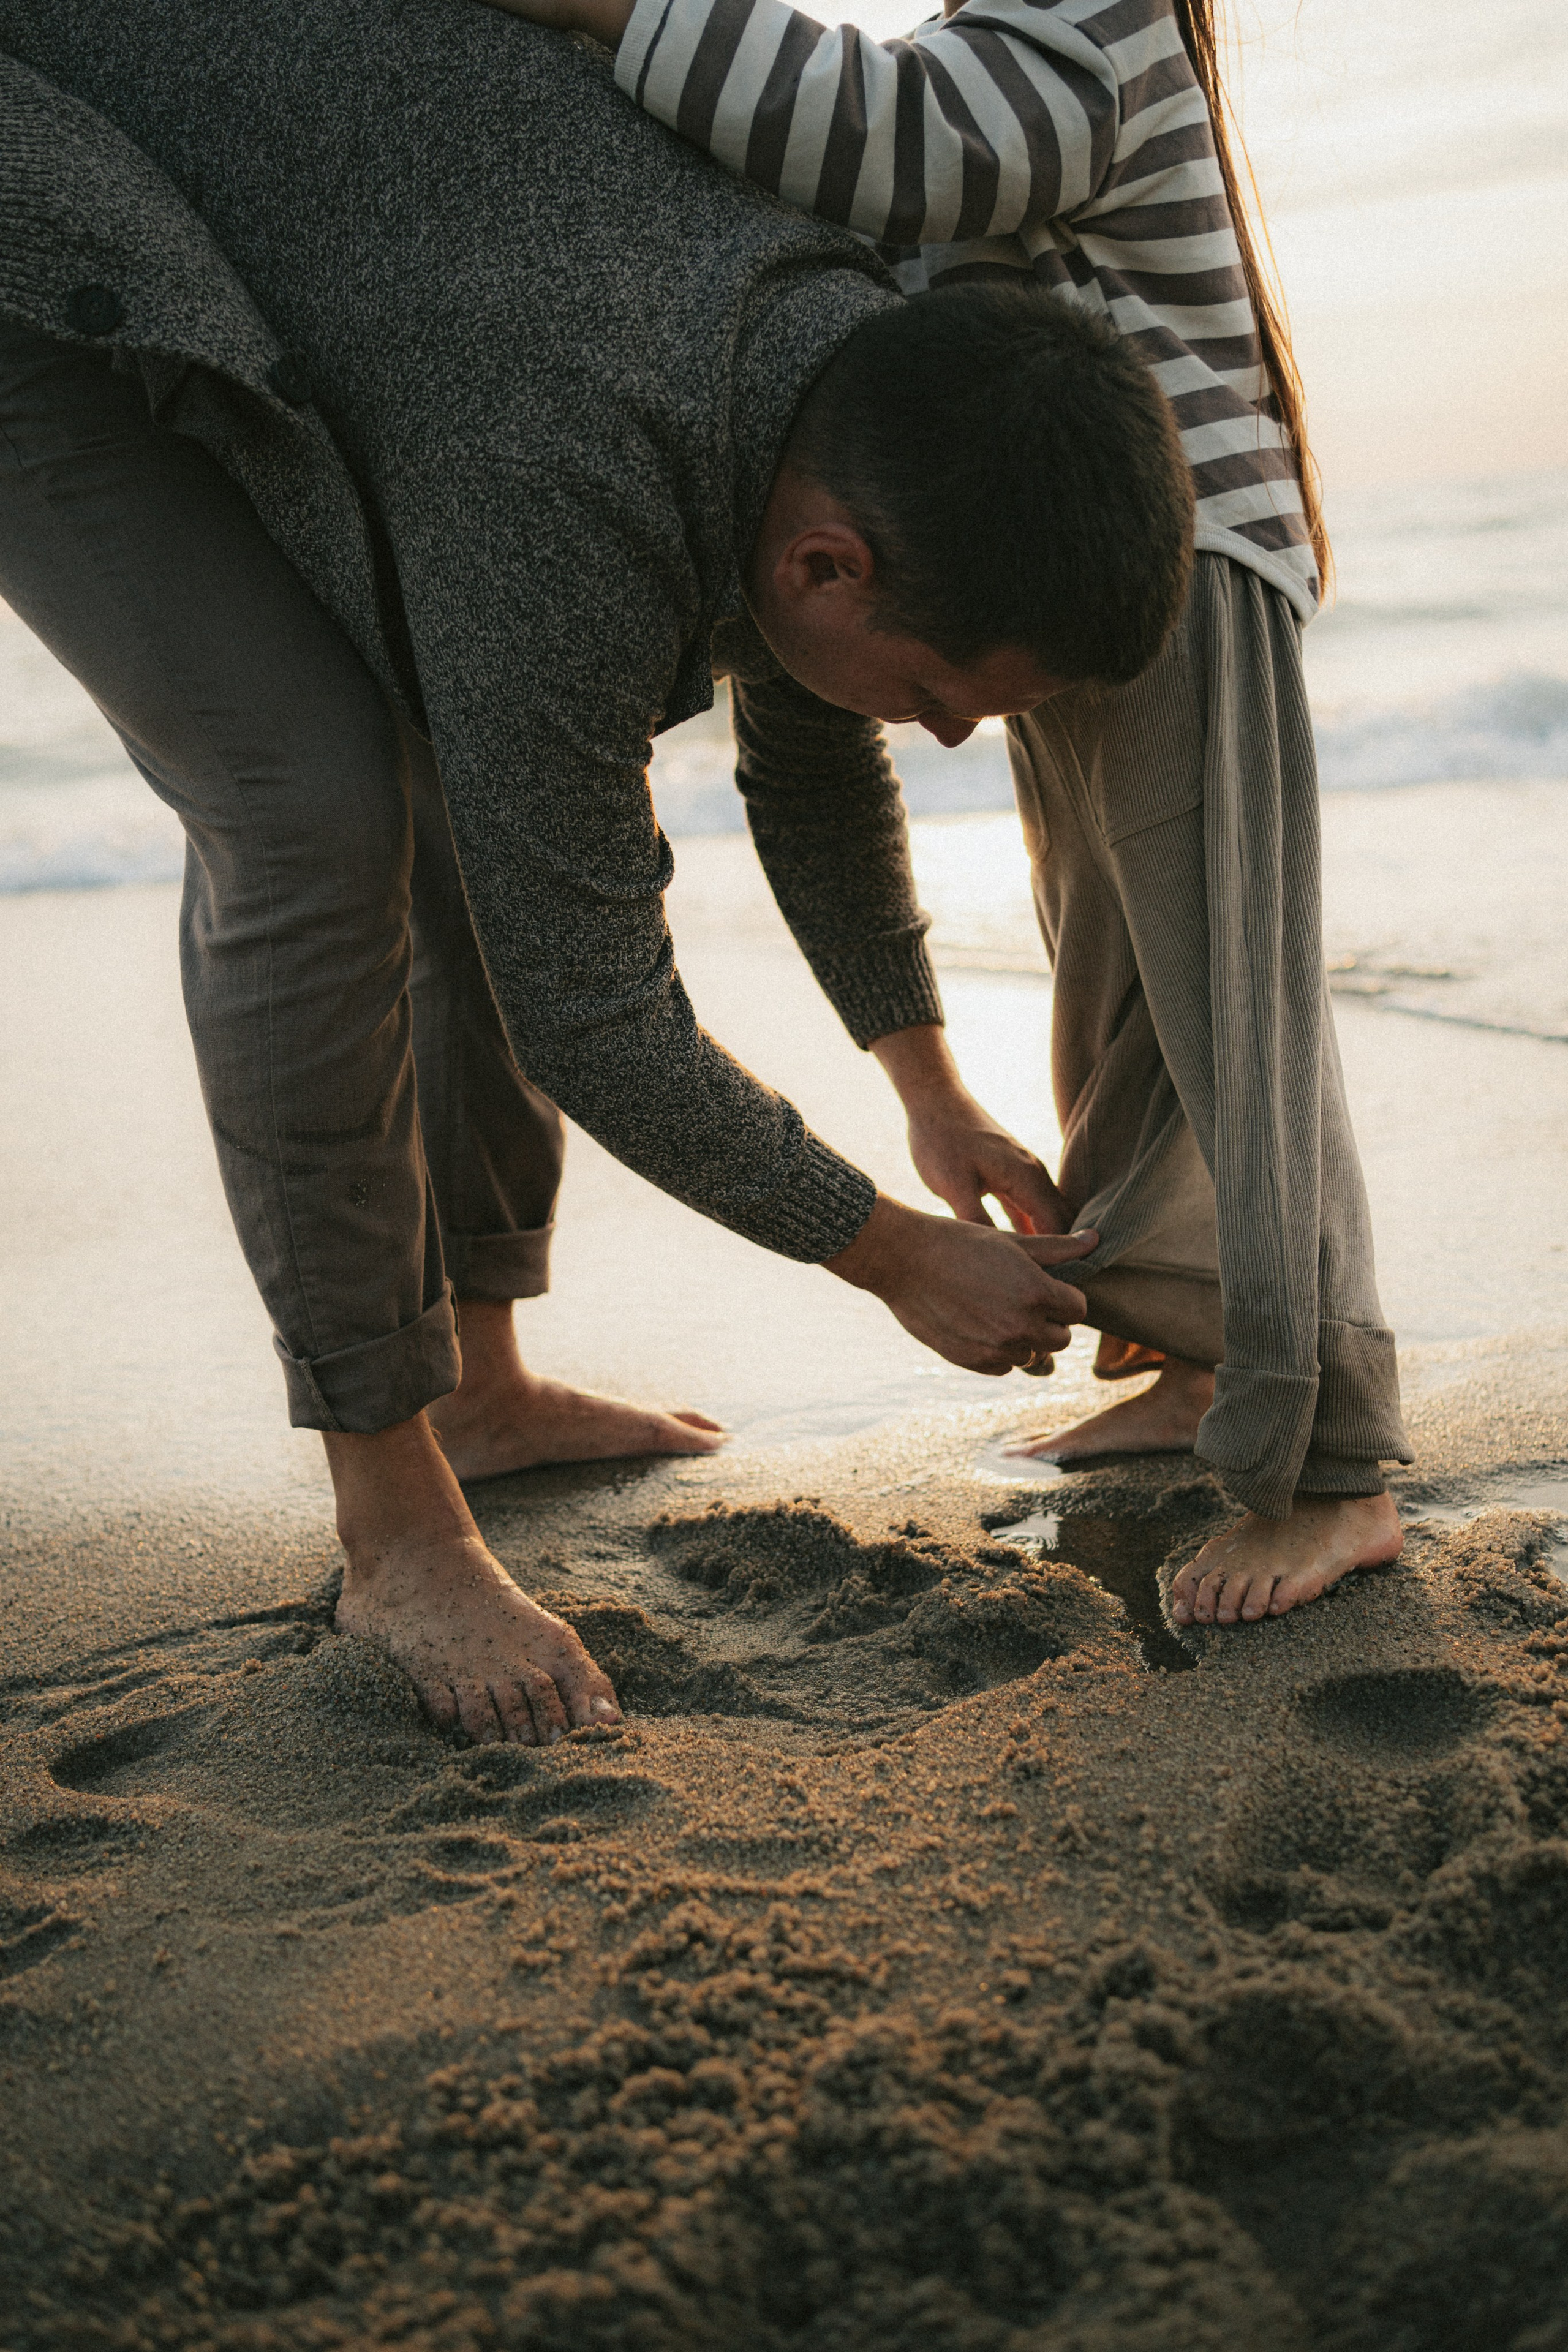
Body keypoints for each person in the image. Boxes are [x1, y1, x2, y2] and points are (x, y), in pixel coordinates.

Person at [0, 0, 1193, 1740]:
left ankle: (480, 1390)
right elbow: (589, 1005)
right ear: (826, 565)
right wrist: (883, 1252)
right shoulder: (559, 479)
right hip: (46, 228)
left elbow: (814, 750)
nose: (942, 740)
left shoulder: (846, 377)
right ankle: (395, 1522)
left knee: (463, 758)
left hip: (350, 234)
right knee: (316, 807)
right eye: (949, 700)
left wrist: (928, 1094)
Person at [473, 0, 1417, 1630]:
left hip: (1168, 550)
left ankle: (1336, 1467)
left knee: (1226, 1010)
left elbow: (906, 138)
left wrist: (624, 16)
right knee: (1115, 1000)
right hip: (1039, 568)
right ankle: (1199, 1361)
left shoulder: (1090, 21)